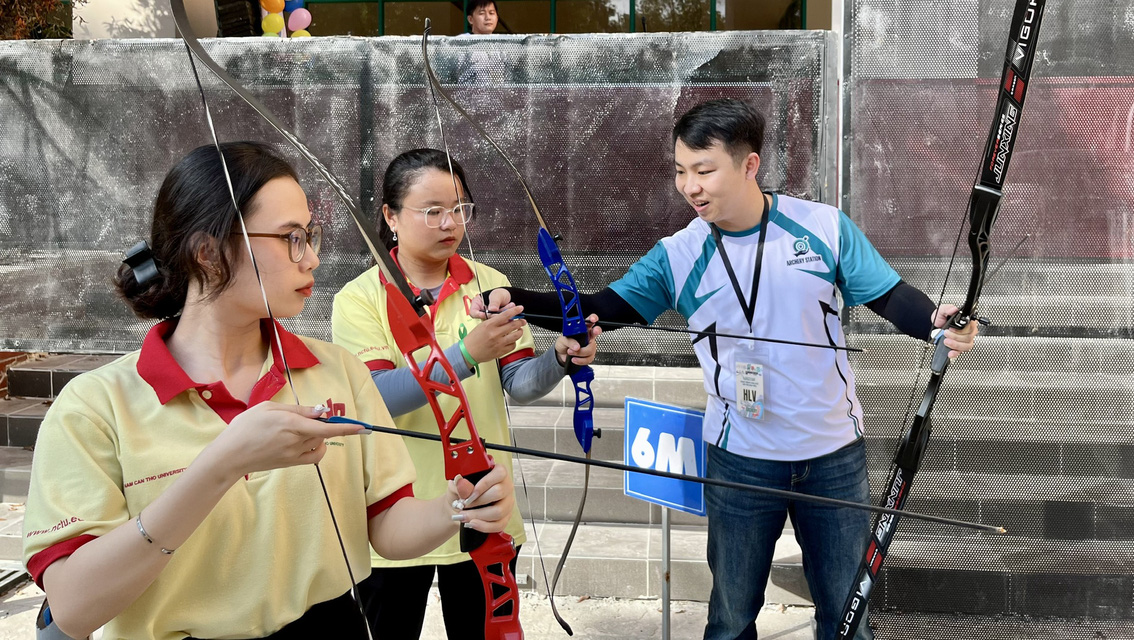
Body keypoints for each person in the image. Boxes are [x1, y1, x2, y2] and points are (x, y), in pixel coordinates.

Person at [472, 98, 980, 640]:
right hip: (739, 462)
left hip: (832, 453)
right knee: (731, 618)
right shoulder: (679, 253)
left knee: (847, 616)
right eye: (680, 172)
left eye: (704, 170)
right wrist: (515, 297)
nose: (691, 186)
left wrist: (935, 321)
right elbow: (599, 310)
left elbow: (890, 296)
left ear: (749, 165)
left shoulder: (822, 228)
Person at [21, 141, 515, 640]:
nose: (312, 259)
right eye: (290, 239)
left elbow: (386, 525)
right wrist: (222, 463)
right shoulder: (95, 406)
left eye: (311, 236)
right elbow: (74, 608)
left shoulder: (336, 370)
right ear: (209, 253)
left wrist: (455, 508)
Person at [330, 148, 600, 639]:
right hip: (393, 516)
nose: (449, 222)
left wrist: (560, 359)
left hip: (485, 505)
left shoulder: (490, 283)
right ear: (390, 216)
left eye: (459, 208)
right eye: (432, 210)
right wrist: (466, 353)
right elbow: (379, 398)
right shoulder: (359, 298)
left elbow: (517, 383)